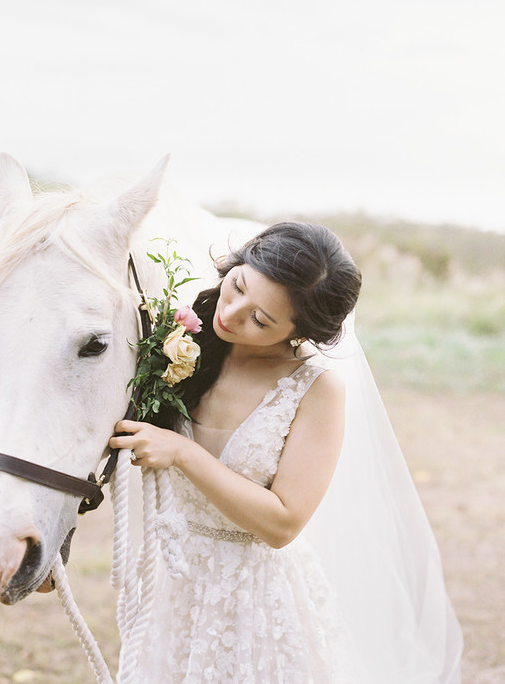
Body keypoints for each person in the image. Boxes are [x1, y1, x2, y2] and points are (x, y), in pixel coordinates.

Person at [109, 221, 463, 683]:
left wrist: (182, 452)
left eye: (260, 320)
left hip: (253, 604)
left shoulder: (315, 391)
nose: (232, 313)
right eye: (237, 286)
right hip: (169, 588)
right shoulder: (177, 342)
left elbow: (282, 524)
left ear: (301, 331)